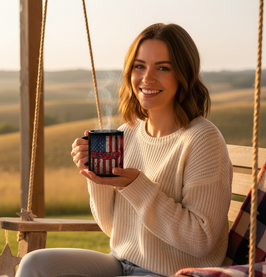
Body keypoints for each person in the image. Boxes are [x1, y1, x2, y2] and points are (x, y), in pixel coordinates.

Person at [15, 23, 233, 277]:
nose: (147, 78)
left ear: (184, 75)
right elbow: (111, 227)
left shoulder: (201, 139)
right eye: (139, 66)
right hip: (120, 264)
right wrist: (96, 176)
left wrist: (136, 186)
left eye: (163, 68)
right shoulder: (128, 133)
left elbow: (201, 240)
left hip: (171, 273)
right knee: (34, 265)